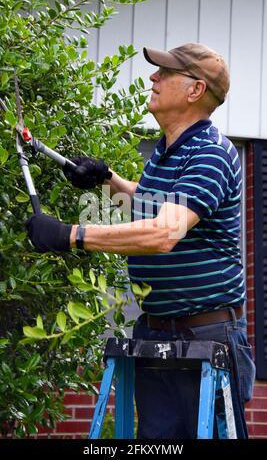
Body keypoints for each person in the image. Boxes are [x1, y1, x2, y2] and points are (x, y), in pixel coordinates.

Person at [25, 43, 255, 439]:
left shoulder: (211, 153)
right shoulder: (168, 150)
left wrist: (71, 235)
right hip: (158, 332)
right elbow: (160, 205)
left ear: (195, 90)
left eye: (164, 72)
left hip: (205, 340)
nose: (153, 78)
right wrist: (107, 180)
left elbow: (166, 231)